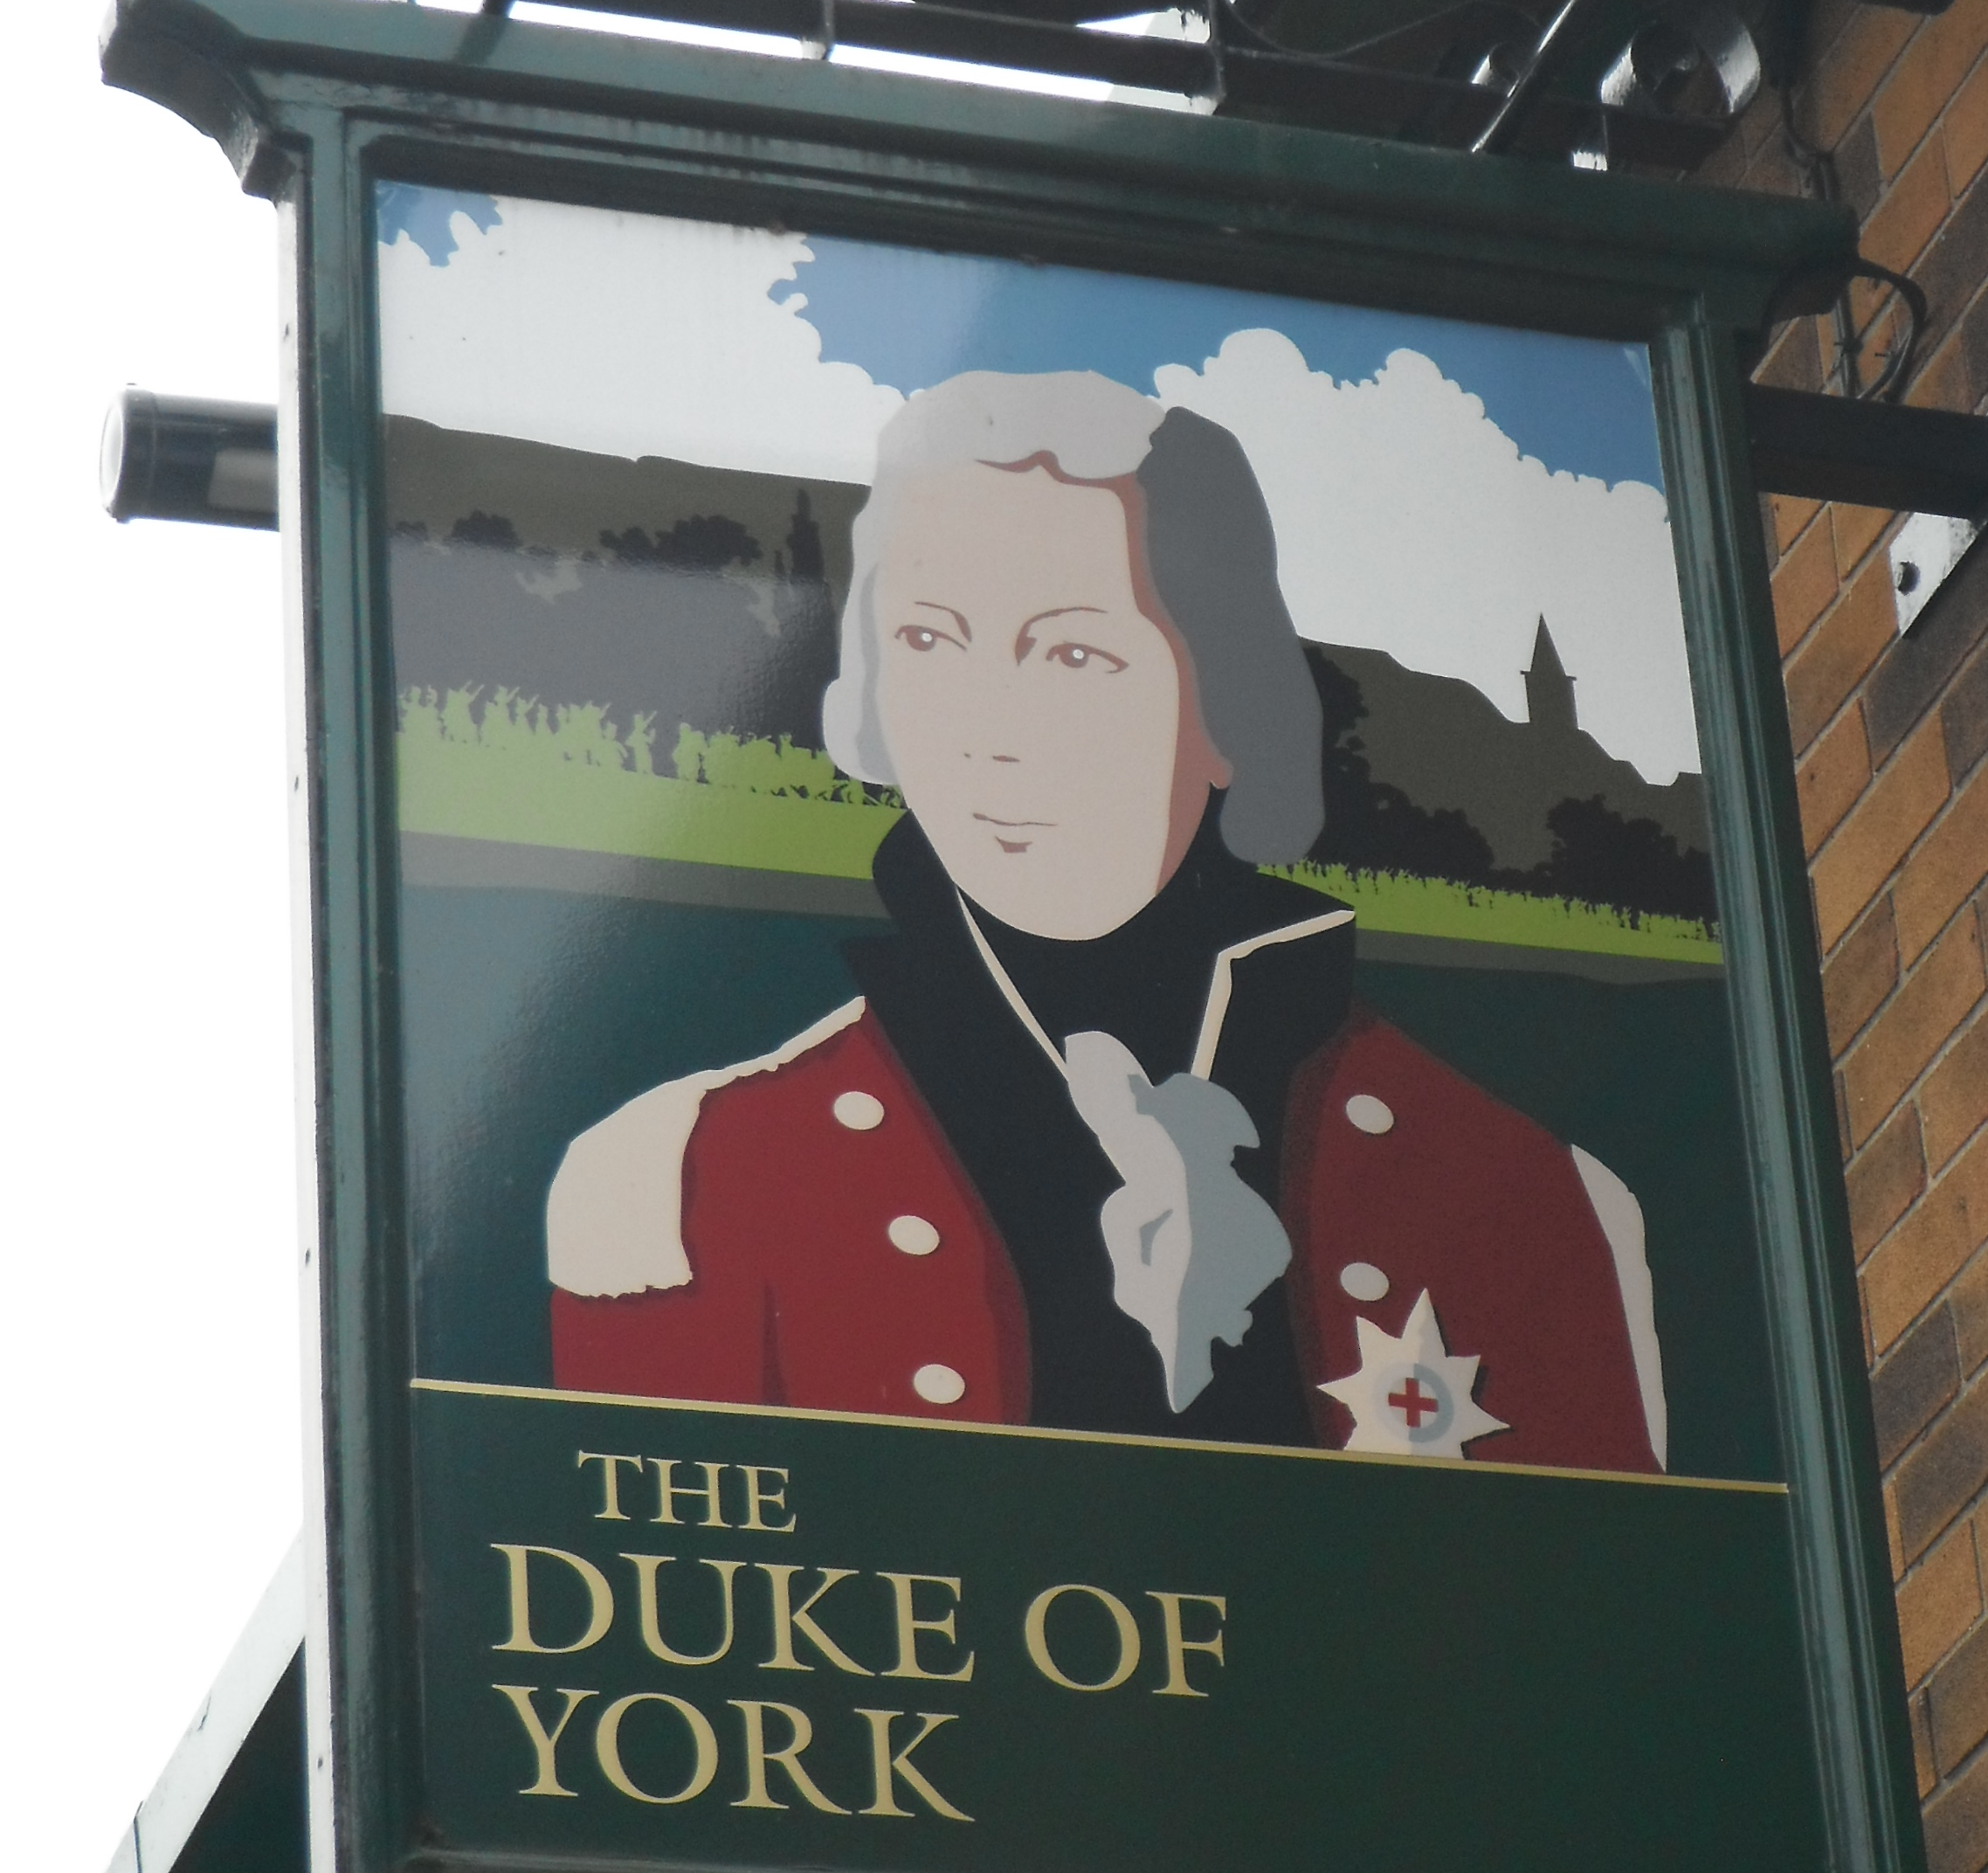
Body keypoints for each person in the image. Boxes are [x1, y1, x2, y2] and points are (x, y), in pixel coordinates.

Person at [547, 371, 1666, 1473]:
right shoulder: (680, 1182)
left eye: (1074, 654)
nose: (991, 731)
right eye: (931, 642)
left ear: (1226, 706)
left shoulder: (1535, 1199)